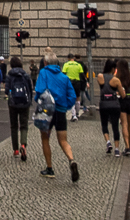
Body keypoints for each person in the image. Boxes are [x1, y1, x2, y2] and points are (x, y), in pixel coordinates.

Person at [32, 49, 78, 182]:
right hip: (61, 111)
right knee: (63, 140)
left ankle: (50, 168)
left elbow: (40, 90)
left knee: (45, 138)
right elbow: (72, 96)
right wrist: (65, 106)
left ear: (45, 62)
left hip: (47, 111)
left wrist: (38, 101)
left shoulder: (44, 72)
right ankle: (71, 160)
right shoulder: (64, 77)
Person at [5, 56, 33, 161]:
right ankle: (23, 145)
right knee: (24, 125)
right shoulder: (26, 75)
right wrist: (29, 100)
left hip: (13, 103)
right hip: (25, 103)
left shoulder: (9, 75)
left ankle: (15, 149)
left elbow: (7, 91)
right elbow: (30, 89)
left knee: (14, 126)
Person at [97, 59, 122, 157]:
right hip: (114, 104)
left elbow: (101, 86)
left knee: (104, 124)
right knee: (115, 126)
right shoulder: (116, 80)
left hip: (103, 104)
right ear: (113, 68)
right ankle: (116, 149)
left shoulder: (100, 76)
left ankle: (108, 142)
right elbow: (122, 94)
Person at [61, 54, 84, 121]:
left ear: (68, 58)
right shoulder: (78, 65)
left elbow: (63, 74)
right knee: (77, 98)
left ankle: (73, 115)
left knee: (71, 98)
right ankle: (77, 113)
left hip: (70, 83)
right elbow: (82, 75)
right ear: (73, 58)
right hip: (77, 82)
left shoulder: (66, 64)